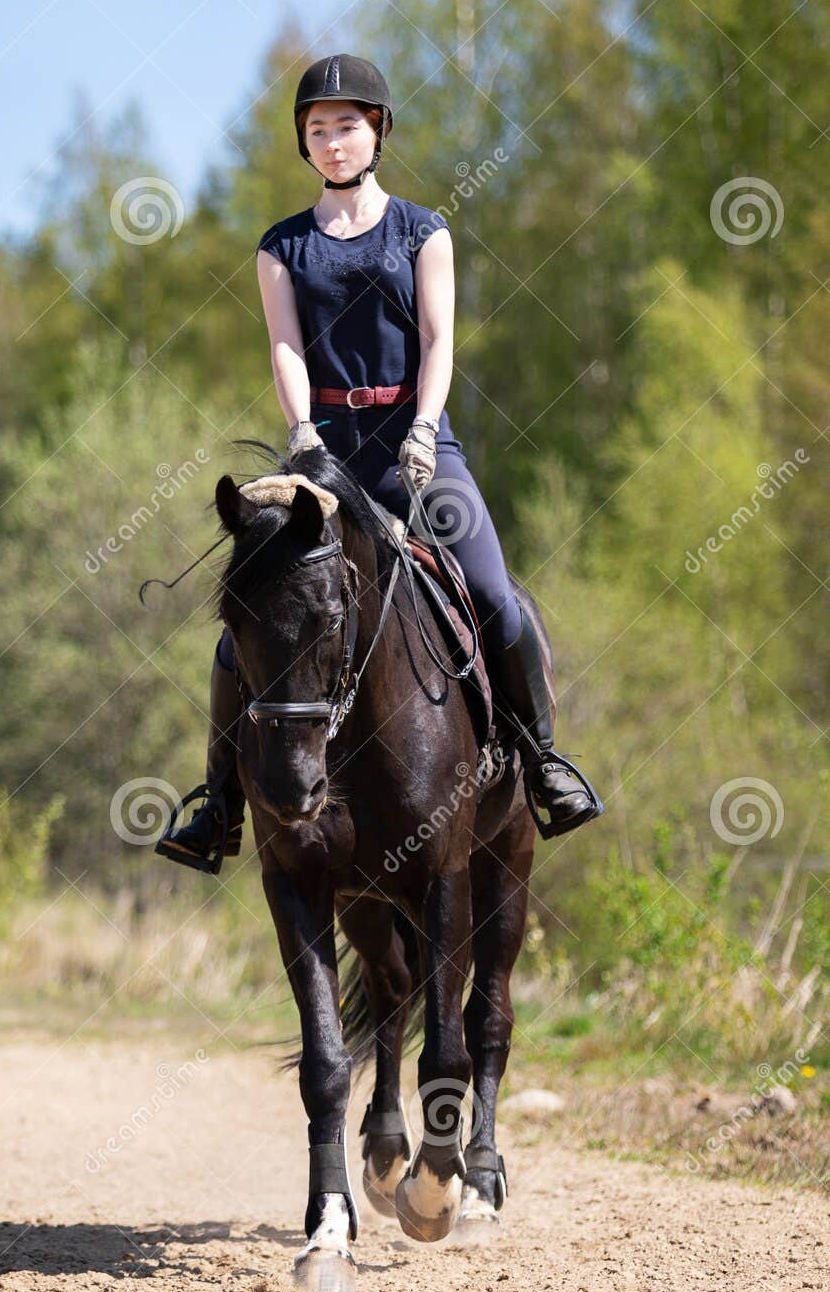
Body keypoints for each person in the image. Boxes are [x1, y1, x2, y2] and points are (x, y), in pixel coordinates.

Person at [157, 53, 602, 873]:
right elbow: (286, 344)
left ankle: (543, 764)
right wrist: (302, 433)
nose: (332, 143)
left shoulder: (423, 230)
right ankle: (217, 802)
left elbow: (437, 338)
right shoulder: (281, 246)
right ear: (305, 143)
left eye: (346, 127)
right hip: (326, 460)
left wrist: (426, 428)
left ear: (377, 132)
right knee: (243, 630)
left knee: (499, 601)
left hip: (418, 450)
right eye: (318, 130)